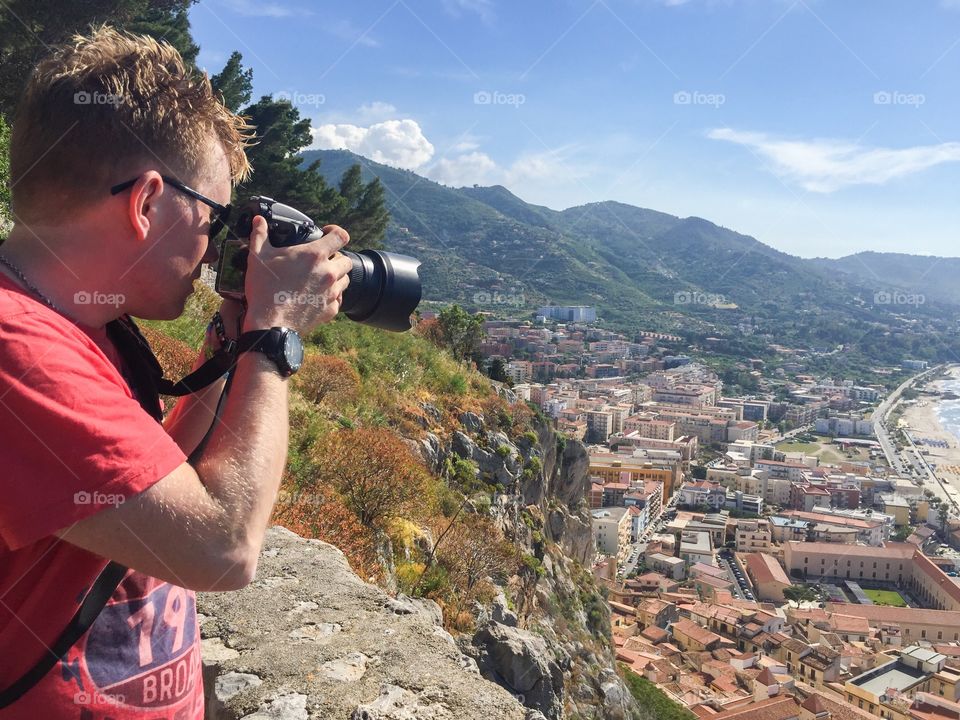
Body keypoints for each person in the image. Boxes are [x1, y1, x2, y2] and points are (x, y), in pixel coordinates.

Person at [0, 26, 353, 718]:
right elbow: (221, 549)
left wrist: (234, 330)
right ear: (146, 203)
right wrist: (276, 337)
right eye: (213, 218)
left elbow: (165, 480)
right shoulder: (19, 352)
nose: (214, 246)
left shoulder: (80, 328)